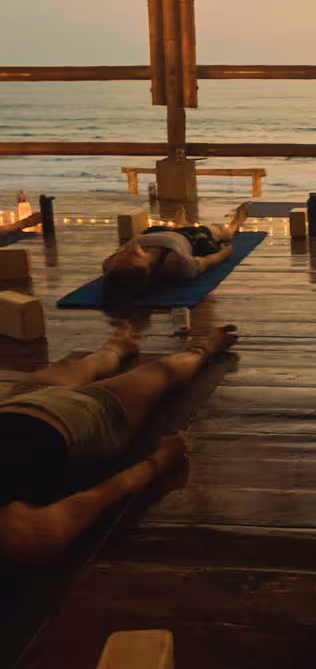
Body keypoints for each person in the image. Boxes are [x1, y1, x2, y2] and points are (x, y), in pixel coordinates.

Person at [0, 322, 238, 562]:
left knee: (70, 367)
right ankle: (205, 348)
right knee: (161, 372)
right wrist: (158, 461)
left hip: (17, 402)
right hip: (81, 417)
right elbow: (97, 498)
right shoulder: (17, 537)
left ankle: (115, 348)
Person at [102, 203, 249, 299]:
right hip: (192, 239)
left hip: (154, 232)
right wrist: (225, 253)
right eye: (128, 257)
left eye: (118, 259)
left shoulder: (113, 263)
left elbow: (113, 266)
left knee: (167, 229)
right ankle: (236, 222)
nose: (123, 253)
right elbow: (208, 262)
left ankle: (180, 224)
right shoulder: (174, 263)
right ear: (143, 265)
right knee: (222, 233)